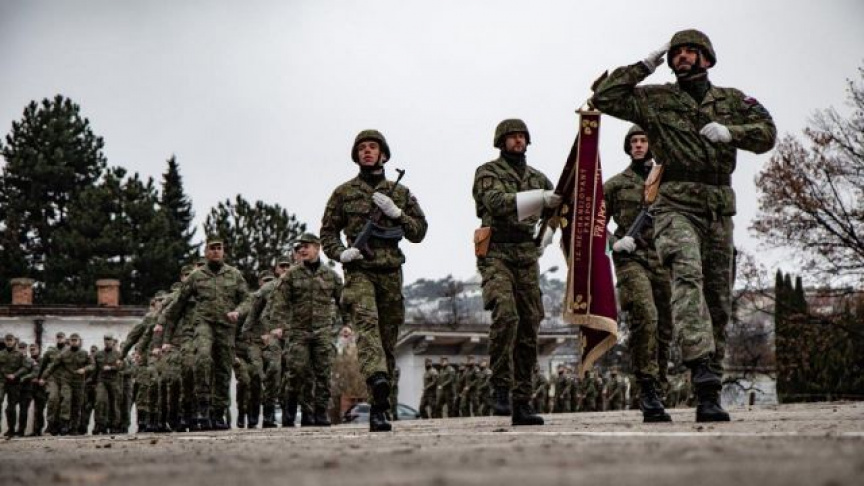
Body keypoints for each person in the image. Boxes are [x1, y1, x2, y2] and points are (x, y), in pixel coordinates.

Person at [591, 29, 776, 422]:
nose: (683, 57)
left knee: (718, 301)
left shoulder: (731, 100)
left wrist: (732, 133)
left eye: (691, 51)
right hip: (675, 205)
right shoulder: (655, 99)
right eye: (677, 52)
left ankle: (710, 393)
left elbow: (767, 134)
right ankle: (703, 376)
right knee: (687, 277)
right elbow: (604, 98)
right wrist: (644, 64)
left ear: (707, 58)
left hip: (718, 207)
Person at [320, 129, 428, 432]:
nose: (367, 151)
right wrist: (341, 253)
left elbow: (419, 231)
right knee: (367, 329)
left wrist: (398, 214)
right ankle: (378, 384)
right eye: (362, 148)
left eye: (372, 147)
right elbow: (327, 233)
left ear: (383, 155)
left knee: (387, 339)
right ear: (356, 156)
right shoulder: (343, 193)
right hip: (359, 271)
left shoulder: (400, 192)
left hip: (391, 272)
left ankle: (381, 405)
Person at [472, 119, 560, 426]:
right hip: (496, 251)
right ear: (501, 142)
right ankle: (500, 385)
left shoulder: (538, 177)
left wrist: (549, 233)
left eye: (522, 136)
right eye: (512, 137)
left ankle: (523, 400)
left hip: (526, 254)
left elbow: (558, 210)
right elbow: (496, 203)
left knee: (529, 325)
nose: (518, 141)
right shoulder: (488, 172)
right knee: (507, 314)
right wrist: (541, 198)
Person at [604, 125, 674, 422]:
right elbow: (592, 221)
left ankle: (659, 386)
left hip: (662, 257)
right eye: (633, 141)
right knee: (646, 316)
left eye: (644, 140)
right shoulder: (615, 185)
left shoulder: (667, 179)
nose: (638, 145)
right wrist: (614, 243)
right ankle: (647, 390)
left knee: (665, 326)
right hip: (630, 258)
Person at [163, 237, 250, 430]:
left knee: (223, 369)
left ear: (224, 251)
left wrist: (238, 311)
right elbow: (177, 306)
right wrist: (166, 338)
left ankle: (218, 413)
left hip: (226, 326)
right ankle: (202, 406)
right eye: (212, 248)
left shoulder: (234, 275)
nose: (216, 251)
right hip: (204, 323)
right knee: (202, 357)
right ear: (206, 252)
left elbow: (248, 300)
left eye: (219, 248)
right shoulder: (196, 276)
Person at [271, 233, 344, 427]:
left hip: (323, 331)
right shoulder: (291, 275)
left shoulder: (331, 276)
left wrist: (347, 324)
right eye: (300, 247)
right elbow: (280, 302)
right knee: (296, 371)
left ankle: (320, 413)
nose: (302, 250)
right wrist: (278, 325)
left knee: (323, 373)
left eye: (306, 246)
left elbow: (343, 301)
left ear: (317, 248)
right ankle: (289, 412)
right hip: (298, 332)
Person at [41, 333, 90, 435]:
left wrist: (85, 369)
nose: (74, 342)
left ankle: (74, 427)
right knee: (66, 400)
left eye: (75, 340)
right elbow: (53, 366)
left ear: (79, 341)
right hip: (67, 381)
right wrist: (43, 378)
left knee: (77, 404)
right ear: (69, 341)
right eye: (72, 340)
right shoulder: (64, 354)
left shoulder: (84, 353)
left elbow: (92, 365)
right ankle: (64, 424)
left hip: (79, 383)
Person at [90, 334, 124, 434]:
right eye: (106, 340)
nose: (107, 342)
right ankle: (99, 424)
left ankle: (114, 426)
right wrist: (93, 381)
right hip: (102, 381)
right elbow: (96, 370)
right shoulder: (99, 354)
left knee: (114, 404)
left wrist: (111, 368)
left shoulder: (118, 354)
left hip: (114, 381)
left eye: (109, 340)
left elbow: (121, 367)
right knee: (100, 402)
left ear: (113, 341)